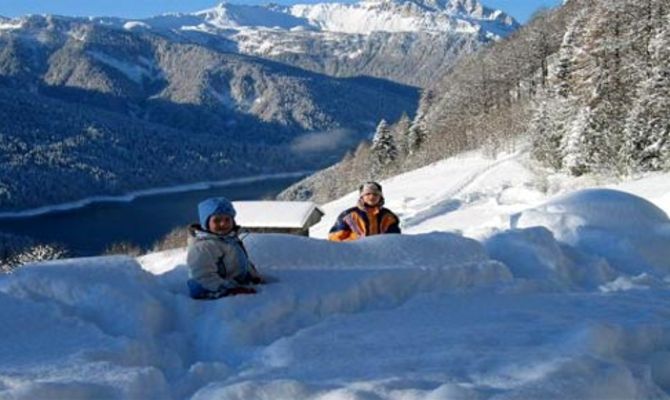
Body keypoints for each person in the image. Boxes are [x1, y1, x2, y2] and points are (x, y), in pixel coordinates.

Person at [186, 197, 264, 300]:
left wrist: (253, 276)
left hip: (233, 284)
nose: (223, 224)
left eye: (227, 219)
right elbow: (202, 277)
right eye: (217, 220)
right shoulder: (203, 247)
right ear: (206, 224)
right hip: (213, 293)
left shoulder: (230, 239)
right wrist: (230, 290)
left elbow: (241, 261)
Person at [328, 181, 401, 241]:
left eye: (375, 194)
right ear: (362, 197)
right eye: (368, 194)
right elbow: (334, 238)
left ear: (380, 197)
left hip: (380, 254)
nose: (372, 197)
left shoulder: (388, 216)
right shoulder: (349, 216)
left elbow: (395, 239)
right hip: (355, 253)